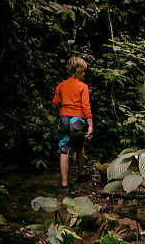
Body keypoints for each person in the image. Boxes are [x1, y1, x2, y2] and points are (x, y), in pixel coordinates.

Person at [52, 56, 93, 193]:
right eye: (83, 71)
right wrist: (90, 124)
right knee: (80, 147)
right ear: (78, 71)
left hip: (64, 118)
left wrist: (59, 116)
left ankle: (64, 184)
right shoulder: (83, 86)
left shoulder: (61, 85)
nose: (84, 74)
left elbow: (55, 105)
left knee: (64, 150)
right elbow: (86, 106)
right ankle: (81, 174)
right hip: (78, 120)